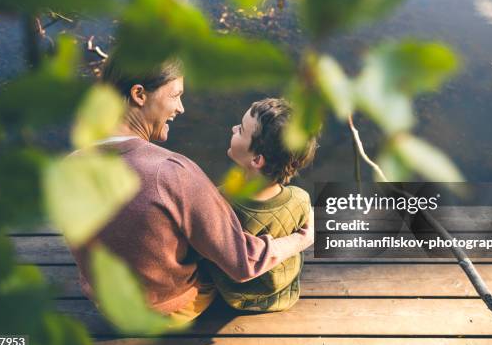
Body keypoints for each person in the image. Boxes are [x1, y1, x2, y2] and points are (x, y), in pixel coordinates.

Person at [69, 56, 314, 325]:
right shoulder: (172, 172)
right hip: (169, 312)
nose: (181, 108)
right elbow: (243, 263)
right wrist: (303, 239)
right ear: (139, 94)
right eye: (175, 95)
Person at [207, 98, 317, 312]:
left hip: (231, 297)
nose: (233, 128)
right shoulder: (300, 199)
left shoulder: (221, 200)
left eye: (240, 130)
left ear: (257, 160)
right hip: (284, 295)